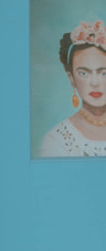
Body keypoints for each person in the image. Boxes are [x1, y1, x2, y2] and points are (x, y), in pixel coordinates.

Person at [39, 20, 106, 157]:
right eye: (84, 73)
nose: (95, 83)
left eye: (104, 73)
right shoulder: (57, 140)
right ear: (72, 79)